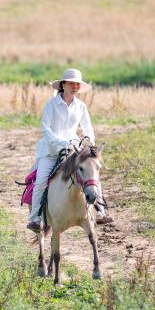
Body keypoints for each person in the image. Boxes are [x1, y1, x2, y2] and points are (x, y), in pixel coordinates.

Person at [27, 68, 113, 233]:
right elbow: (45, 129)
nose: (75, 87)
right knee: (41, 181)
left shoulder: (81, 106)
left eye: (77, 84)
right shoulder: (51, 104)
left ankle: (101, 212)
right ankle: (35, 218)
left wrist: (89, 143)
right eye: (71, 83)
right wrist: (61, 143)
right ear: (63, 85)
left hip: (74, 149)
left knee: (92, 175)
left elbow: (88, 129)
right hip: (51, 151)